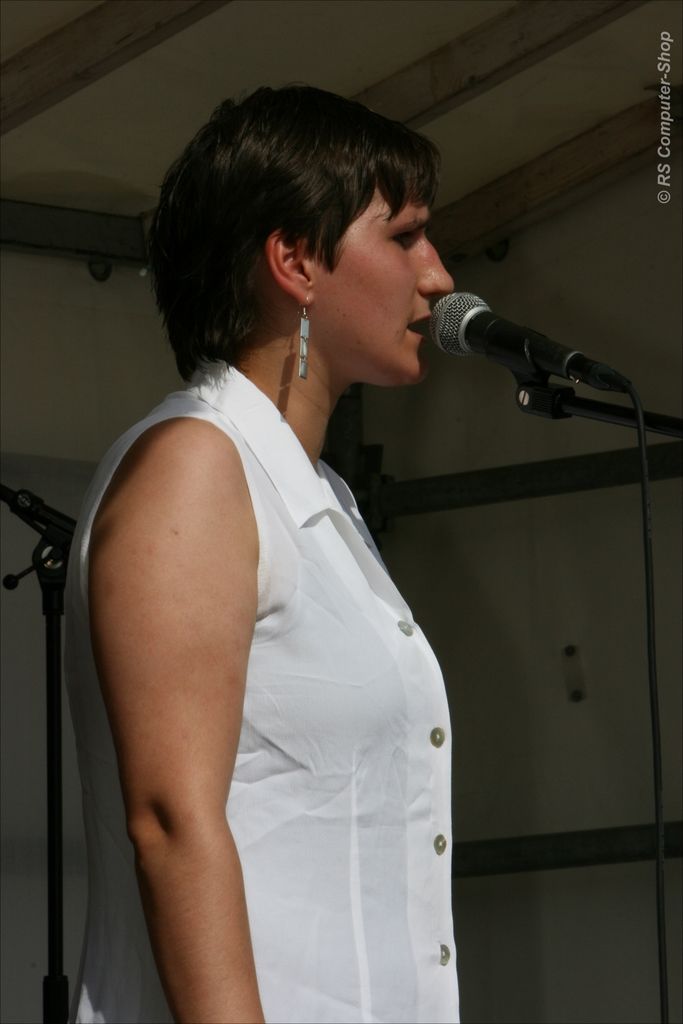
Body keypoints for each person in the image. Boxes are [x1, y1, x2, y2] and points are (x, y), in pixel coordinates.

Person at [65, 84, 458, 1024]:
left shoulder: (320, 496)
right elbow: (170, 824)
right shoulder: (196, 467)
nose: (439, 276)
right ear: (294, 261)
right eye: (404, 237)